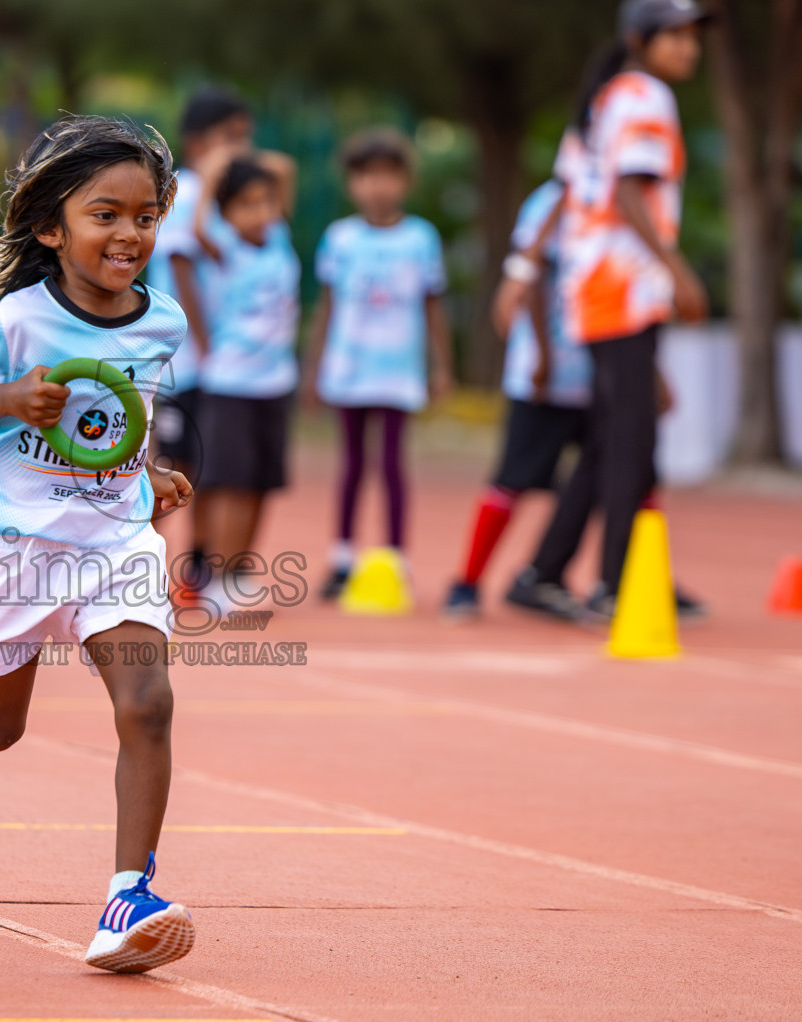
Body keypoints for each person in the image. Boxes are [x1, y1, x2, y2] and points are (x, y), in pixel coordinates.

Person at [0, 116, 194, 973]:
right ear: (52, 227)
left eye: (145, 216)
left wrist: (147, 474)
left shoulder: (164, 323)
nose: (129, 234)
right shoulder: (21, 319)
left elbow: (123, 416)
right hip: (15, 542)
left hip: (113, 541)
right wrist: (10, 399)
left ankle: (128, 897)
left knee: (146, 703)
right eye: (105, 214)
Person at [517, 0, 711, 621]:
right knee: (631, 442)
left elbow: (575, 188)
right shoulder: (644, 96)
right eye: (674, 35)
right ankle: (615, 584)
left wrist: (522, 268)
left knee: (611, 440)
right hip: (622, 288)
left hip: (598, 288)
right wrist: (677, 271)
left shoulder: (605, 99)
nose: (689, 47)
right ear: (638, 39)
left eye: (693, 36)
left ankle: (544, 571)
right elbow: (629, 190)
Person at [303, 129, 453, 600]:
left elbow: (433, 305)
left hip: (398, 368)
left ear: (404, 182)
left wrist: (441, 365)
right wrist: (313, 366)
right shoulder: (340, 238)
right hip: (349, 365)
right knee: (351, 463)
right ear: (352, 183)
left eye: (388, 176)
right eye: (367, 176)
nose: (378, 187)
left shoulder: (420, 238)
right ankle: (342, 557)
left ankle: (395, 556)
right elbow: (325, 306)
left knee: (391, 462)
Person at [442, 176, 591, 621]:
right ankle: (466, 582)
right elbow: (529, 277)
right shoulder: (552, 202)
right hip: (545, 374)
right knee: (513, 479)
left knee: (617, 477)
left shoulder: (614, 199)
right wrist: (543, 353)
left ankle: (555, 576)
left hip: (601, 371)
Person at [142, 88, 254, 577]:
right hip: (183, 360)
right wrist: (206, 346)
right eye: (230, 137)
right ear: (196, 141)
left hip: (217, 363)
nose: (241, 148)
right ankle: (144, 560)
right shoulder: (184, 192)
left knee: (205, 468)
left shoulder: (228, 199)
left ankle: (200, 563)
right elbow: (182, 267)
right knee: (168, 462)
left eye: (245, 137)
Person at [191, 154, 299, 613]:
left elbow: (286, 172)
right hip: (231, 382)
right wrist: (215, 172)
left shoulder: (279, 239)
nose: (259, 213)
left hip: (275, 383)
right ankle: (215, 580)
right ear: (226, 213)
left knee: (259, 484)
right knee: (230, 484)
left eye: (266, 202)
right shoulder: (224, 247)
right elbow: (198, 226)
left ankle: (239, 573)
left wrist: (253, 159)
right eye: (246, 204)